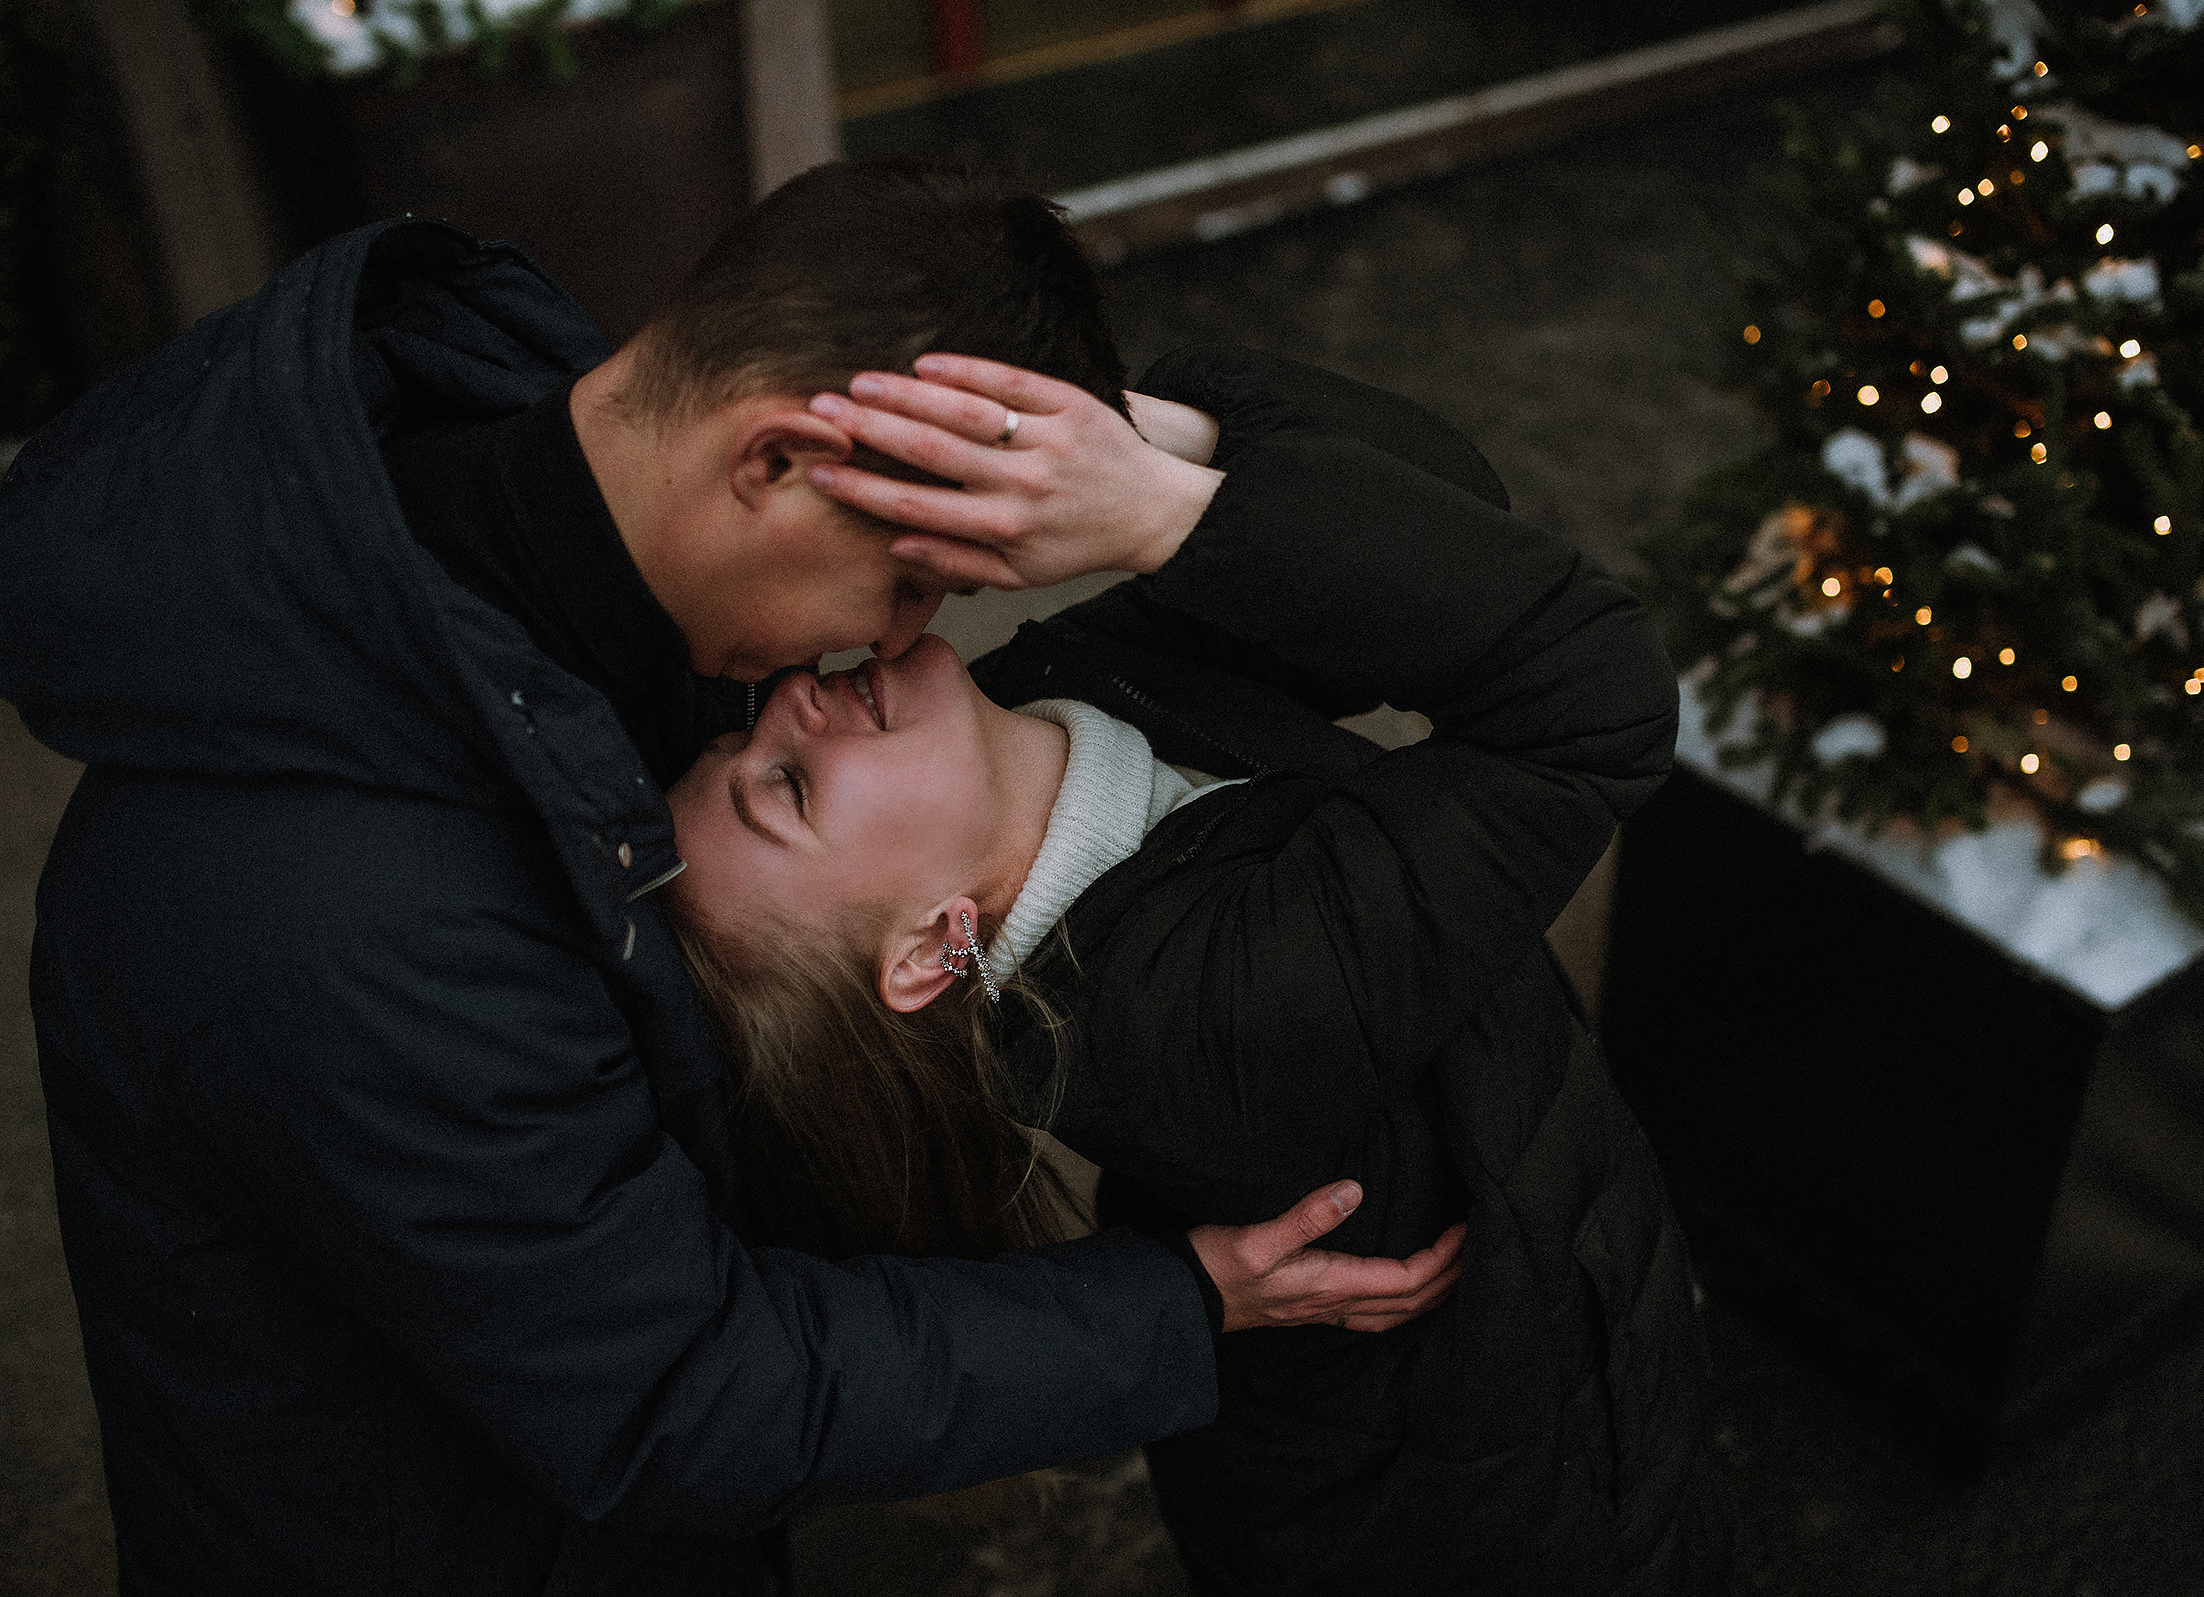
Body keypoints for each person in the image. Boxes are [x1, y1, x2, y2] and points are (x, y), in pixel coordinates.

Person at [0, 162, 1462, 1596]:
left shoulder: (569, 505)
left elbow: (1460, 504)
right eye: (905, 580)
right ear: (774, 462)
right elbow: (672, 1392)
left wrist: (1126, 453)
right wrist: (1177, 1299)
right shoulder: (358, 917)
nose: (904, 643)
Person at [664, 343, 1730, 1594]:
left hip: (1567, 1256)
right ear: (924, 950)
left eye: (748, 733)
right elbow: (1590, 703)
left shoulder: (1046, 703)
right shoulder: (1189, 1029)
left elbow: (1439, 500)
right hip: (1491, 1487)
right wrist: (1161, 518)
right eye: (786, 790)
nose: (790, 703)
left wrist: (1125, 446)